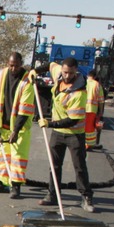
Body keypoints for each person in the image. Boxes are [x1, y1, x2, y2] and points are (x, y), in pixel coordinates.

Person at [37, 57, 95, 213]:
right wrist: (34, 72)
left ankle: (86, 197)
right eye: (65, 72)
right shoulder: (58, 74)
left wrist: (50, 123)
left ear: (76, 71)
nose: (67, 76)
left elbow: (72, 120)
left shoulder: (79, 92)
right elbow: (50, 64)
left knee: (79, 167)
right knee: (54, 165)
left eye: (70, 73)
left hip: (74, 134)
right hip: (58, 134)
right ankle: (52, 194)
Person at [0, 52, 36, 199]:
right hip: (3, 125)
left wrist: (16, 130)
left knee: (18, 157)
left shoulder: (27, 81)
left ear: (21, 64)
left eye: (16, 66)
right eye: (11, 65)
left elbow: (25, 110)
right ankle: (2, 183)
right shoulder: (0, 76)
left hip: (19, 128)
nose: (13, 69)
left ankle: (16, 186)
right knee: (2, 156)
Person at [85, 69, 105, 150]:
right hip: (91, 109)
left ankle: (81, 143)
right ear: (95, 76)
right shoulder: (97, 85)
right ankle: (88, 145)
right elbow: (101, 100)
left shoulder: (83, 82)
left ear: (88, 75)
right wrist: (100, 112)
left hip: (81, 108)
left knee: (81, 127)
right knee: (89, 128)